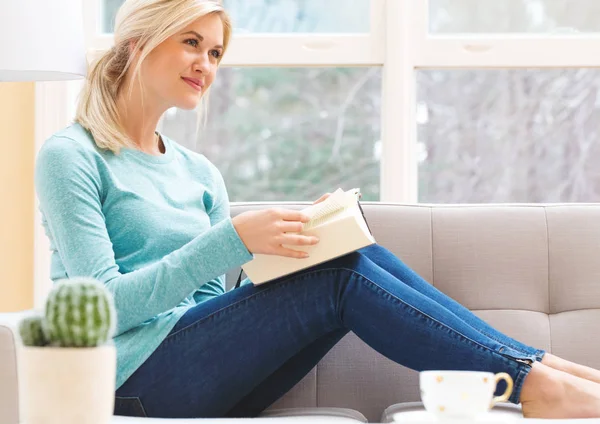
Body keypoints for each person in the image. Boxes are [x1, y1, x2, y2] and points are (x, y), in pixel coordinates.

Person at [34, 0, 600, 419]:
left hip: (201, 377)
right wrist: (231, 240)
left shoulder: (197, 171)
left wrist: (305, 239)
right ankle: (535, 380)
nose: (205, 64)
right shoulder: (71, 156)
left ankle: (537, 368)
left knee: (348, 251)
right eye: (190, 43)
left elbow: (207, 306)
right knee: (337, 278)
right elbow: (101, 305)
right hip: (128, 383)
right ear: (137, 44)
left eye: (214, 52)